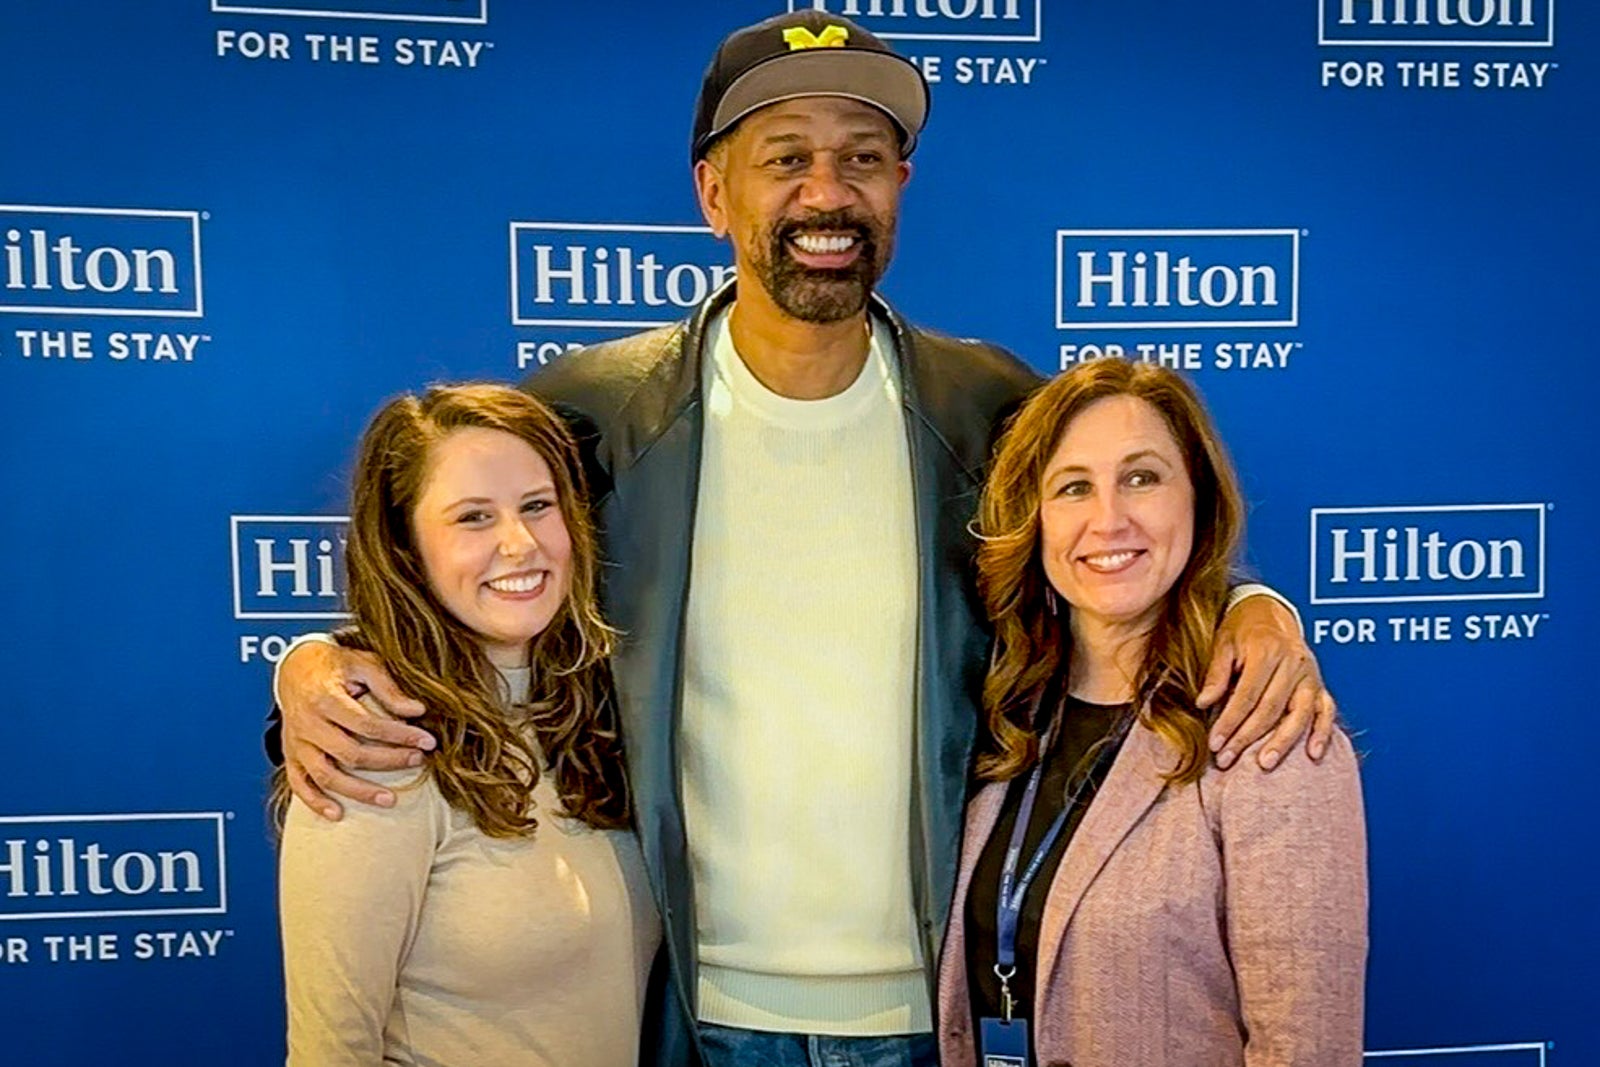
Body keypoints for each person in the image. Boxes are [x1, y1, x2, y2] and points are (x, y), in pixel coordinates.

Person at [268, 12, 1337, 1066]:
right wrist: (310, 666)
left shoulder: (989, 408)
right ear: (713, 192)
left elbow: (1118, 556)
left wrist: (1253, 607)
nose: (826, 194)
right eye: (786, 158)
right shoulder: (595, 416)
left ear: (899, 187)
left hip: (943, 1008)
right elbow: (464, 589)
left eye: (861, 158)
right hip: (695, 1008)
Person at [936, 359, 1367, 1067]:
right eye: (1074, 487)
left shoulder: (1271, 735)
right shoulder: (1002, 714)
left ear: (1197, 499)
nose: (1109, 519)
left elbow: (1306, 1049)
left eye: (1143, 477)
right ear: (1034, 519)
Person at [275, 384, 659, 1066]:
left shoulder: (596, 715)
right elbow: (331, 1051)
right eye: (473, 518)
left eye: (538, 507)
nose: (519, 543)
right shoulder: (370, 751)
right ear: (405, 548)